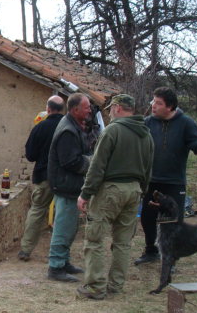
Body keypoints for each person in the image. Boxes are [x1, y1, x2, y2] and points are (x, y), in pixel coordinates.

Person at [76, 94, 154, 299]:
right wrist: (142, 191)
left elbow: (97, 165)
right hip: (134, 190)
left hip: (110, 190)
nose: (109, 113)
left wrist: (85, 193)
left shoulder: (112, 131)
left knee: (95, 238)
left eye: (111, 109)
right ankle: (116, 285)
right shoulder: (146, 134)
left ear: (118, 108)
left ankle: (95, 286)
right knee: (123, 242)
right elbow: (148, 168)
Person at [134, 87, 197, 265]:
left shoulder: (186, 123)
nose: (153, 105)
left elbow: (196, 146)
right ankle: (151, 251)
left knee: (173, 222)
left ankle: (171, 257)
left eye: (158, 103)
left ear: (170, 107)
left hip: (174, 182)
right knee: (147, 218)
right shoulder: (148, 122)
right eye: (153, 101)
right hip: (151, 180)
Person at [46, 93, 93, 282]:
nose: (90, 110)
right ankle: (55, 267)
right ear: (75, 110)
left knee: (69, 226)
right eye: (87, 107)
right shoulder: (68, 131)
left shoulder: (72, 126)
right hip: (65, 185)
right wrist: (91, 161)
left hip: (69, 185)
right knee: (63, 227)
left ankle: (63, 262)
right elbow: (70, 161)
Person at [17, 95, 65, 261]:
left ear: (49, 109)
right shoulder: (71, 126)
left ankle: (25, 249)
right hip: (66, 178)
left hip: (44, 176)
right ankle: (61, 253)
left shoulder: (40, 127)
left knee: (37, 211)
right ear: (62, 109)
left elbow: (30, 155)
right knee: (65, 213)